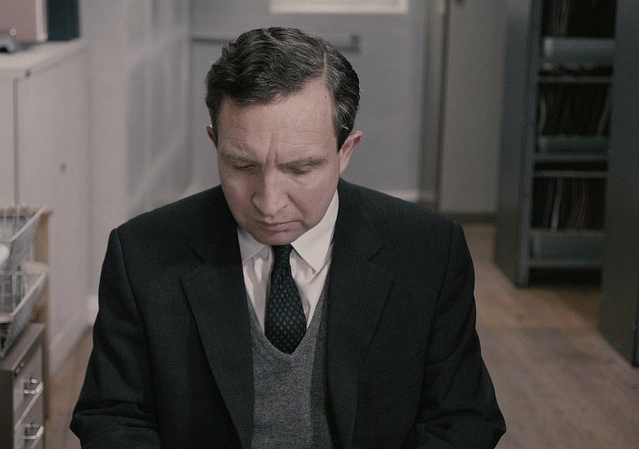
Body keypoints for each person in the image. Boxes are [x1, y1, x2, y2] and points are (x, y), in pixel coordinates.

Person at [71, 27, 505, 448]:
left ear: (346, 151)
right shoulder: (141, 253)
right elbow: (114, 416)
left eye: (299, 169)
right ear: (214, 142)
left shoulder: (428, 251)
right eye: (243, 166)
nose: (269, 202)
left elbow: (462, 418)